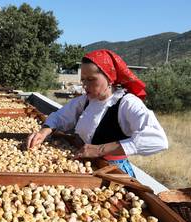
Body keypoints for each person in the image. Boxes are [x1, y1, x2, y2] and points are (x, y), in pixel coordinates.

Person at [27, 49, 168, 177]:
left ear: (109, 78)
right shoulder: (86, 100)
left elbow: (157, 140)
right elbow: (60, 116)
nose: (85, 85)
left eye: (91, 79)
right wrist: (43, 132)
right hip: (85, 168)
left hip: (113, 173)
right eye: (83, 80)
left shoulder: (126, 103)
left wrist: (100, 150)